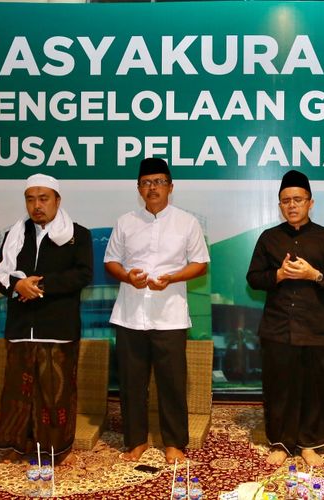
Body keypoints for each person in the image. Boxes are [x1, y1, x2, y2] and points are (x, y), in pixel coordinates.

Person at [246, 169, 324, 467]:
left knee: (312, 388)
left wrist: (314, 274)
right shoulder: (269, 239)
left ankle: (308, 444)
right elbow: (253, 278)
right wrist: (278, 274)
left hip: (312, 326)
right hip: (277, 325)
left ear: (310, 202)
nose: (292, 205)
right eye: (285, 201)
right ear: (279, 205)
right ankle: (281, 443)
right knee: (279, 387)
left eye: (297, 199)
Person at [104, 157, 209, 464]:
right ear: (138, 188)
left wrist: (173, 277)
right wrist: (126, 277)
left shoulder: (187, 222)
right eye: (147, 183)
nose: (153, 188)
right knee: (131, 382)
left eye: (159, 182)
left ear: (170, 187)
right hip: (130, 314)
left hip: (170, 315)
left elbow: (200, 263)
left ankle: (174, 443)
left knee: (172, 382)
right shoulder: (125, 222)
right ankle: (135, 440)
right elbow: (111, 261)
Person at [0, 174, 93, 465]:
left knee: (55, 393)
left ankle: (55, 450)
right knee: (17, 392)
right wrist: (16, 286)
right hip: (21, 327)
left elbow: (83, 274)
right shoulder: (15, 235)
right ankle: (18, 446)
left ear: (57, 200)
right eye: (30, 199)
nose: (37, 205)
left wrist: (39, 286)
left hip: (57, 328)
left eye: (43, 198)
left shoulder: (78, 234)